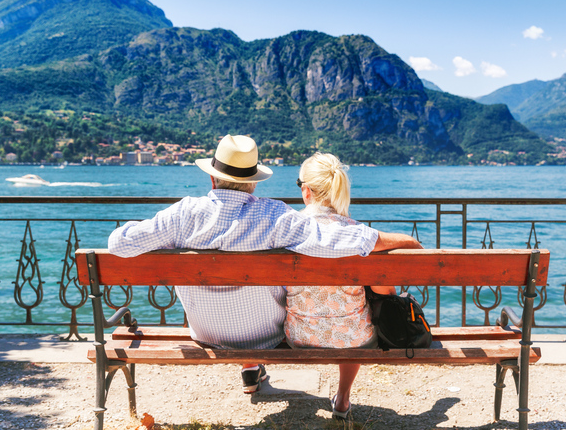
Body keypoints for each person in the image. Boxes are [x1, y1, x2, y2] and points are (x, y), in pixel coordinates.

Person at [107, 134, 421, 396]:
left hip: (202, 332)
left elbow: (118, 244)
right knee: (281, 296)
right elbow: (333, 240)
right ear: (254, 182)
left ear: (212, 176)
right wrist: (397, 240)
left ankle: (250, 370)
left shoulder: (182, 213)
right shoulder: (273, 216)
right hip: (264, 338)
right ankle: (254, 363)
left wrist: (163, 230)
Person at [284, 152, 410, 420]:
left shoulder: (284, 230)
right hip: (355, 341)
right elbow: (408, 254)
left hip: (298, 337)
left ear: (306, 191)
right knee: (354, 319)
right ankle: (342, 399)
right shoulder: (360, 234)